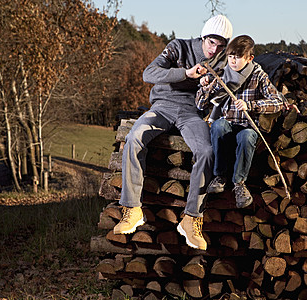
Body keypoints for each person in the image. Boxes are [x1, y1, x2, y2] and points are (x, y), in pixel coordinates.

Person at [113, 15, 233, 251]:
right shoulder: (178, 47)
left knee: (206, 151)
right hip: (161, 108)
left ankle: (191, 218)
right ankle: (131, 209)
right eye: (211, 43)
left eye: (220, 46)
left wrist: (211, 89)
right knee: (134, 138)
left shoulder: (223, 62)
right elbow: (149, 73)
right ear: (203, 37)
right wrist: (186, 74)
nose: (214, 49)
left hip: (192, 115)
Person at [196, 35, 291, 208]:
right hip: (227, 124)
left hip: (248, 126)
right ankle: (219, 176)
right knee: (218, 125)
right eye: (230, 56)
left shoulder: (258, 75)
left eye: (238, 57)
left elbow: (277, 101)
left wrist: (251, 105)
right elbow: (200, 104)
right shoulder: (223, 74)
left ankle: (239, 183)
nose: (233, 61)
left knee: (247, 136)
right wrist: (204, 87)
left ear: (249, 58)